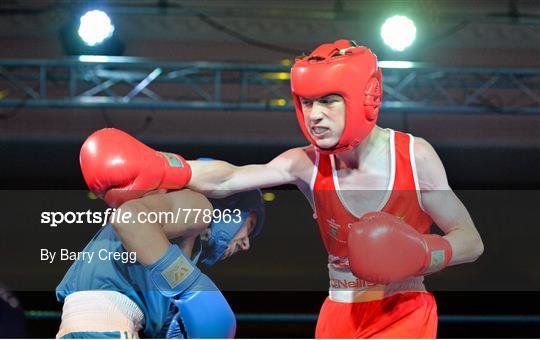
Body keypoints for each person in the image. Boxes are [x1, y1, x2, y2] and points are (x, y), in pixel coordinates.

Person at [80, 39, 484, 338]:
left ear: (366, 97)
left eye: (328, 101)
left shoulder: (414, 157)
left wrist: (422, 253)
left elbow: (470, 241)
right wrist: (162, 167)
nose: (315, 116)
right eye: (307, 103)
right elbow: (228, 179)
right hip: (338, 314)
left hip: (405, 312)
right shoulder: (305, 163)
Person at [55, 188, 264, 339]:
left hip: (89, 327)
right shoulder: (198, 206)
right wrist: (187, 282)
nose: (246, 243)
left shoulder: (172, 245)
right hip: (105, 326)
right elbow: (128, 218)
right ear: (230, 210)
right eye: (250, 224)